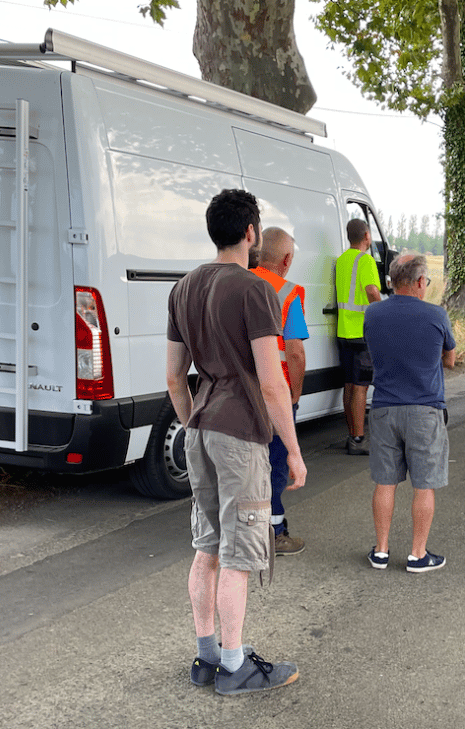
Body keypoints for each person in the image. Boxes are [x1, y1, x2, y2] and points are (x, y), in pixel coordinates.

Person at [166, 189, 307, 696]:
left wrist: (191, 425)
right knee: (240, 554)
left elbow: (174, 378)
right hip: (240, 432)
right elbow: (273, 383)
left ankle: (207, 657)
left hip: (199, 428)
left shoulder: (182, 289)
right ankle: (234, 665)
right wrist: (291, 448)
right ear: (251, 233)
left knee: (207, 547)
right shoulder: (254, 290)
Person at [363, 253, 456, 573]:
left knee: (385, 483)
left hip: (385, 409)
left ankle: (381, 550)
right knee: (423, 484)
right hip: (424, 411)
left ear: (390, 281)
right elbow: (450, 360)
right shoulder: (437, 315)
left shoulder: (373, 314)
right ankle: (418, 554)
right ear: (419, 282)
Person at [251, 227, 308, 556]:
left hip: (239, 393)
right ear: (286, 260)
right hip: (275, 395)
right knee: (275, 465)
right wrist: (294, 398)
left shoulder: (237, 283)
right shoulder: (286, 293)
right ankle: (274, 533)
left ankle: (243, 529)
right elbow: (295, 353)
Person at [336, 218, 383, 455]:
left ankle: (351, 434)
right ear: (366, 235)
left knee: (349, 385)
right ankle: (358, 438)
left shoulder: (342, 260)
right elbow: (372, 291)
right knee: (361, 387)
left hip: (343, 331)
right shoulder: (365, 260)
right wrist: (383, 311)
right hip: (362, 333)